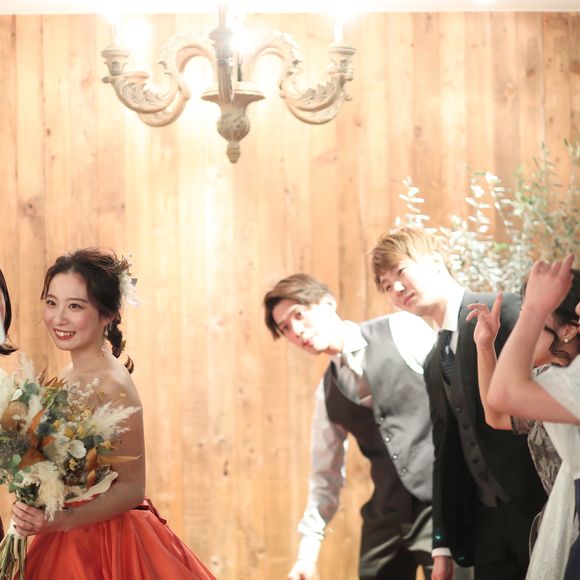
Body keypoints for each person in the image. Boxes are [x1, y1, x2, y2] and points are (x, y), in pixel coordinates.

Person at [10, 248, 215, 580]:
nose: (58, 318)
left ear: (108, 315)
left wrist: (62, 520)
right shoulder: (72, 372)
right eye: (52, 302)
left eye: (75, 306)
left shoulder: (112, 384)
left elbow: (131, 488)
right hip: (64, 531)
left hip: (104, 543)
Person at [371, 226, 546, 580]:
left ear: (435, 262)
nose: (397, 289)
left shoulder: (504, 311)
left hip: (538, 509)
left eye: (401, 272)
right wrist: (442, 546)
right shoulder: (433, 362)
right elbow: (447, 451)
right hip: (486, 527)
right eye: (386, 286)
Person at [264, 273, 439, 580]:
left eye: (299, 315)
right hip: (386, 514)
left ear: (327, 303)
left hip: (440, 503)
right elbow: (325, 475)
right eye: (286, 328)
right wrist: (307, 554)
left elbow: (456, 400)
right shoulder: (326, 393)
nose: (296, 332)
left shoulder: (402, 329)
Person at [487, 255, 580, 580]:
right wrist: (486, 347)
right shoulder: (559, 377)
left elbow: (503, 395)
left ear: (568, 330)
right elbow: (498, 409)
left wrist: (535, 308)